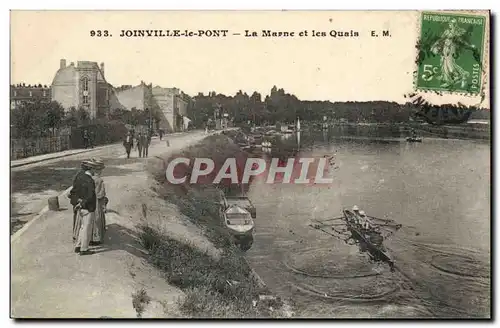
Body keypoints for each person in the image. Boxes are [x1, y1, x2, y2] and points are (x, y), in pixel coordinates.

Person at [72, 159, 97, 255]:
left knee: (82, 227)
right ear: (90, 168)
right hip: (88, 207)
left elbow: (74, 191)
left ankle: (78, 245)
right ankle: (84, 249)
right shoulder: (90, 180)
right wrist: (82, 203)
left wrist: (77, 202)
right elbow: (90, 195)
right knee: (87, 228)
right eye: (93, 168)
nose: (94, 170)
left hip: (80, 207)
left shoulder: (79, 177)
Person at [69, 160, 94, 242]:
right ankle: (80, 239)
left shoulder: (78, 175)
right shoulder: (86, 177)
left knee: (77, 219)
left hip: (76, 199)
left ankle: (75, 236)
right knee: (82, 222)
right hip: (81, 200)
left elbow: (74, 189)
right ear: (89, 168)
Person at [90, 158, 107, 245]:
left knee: (91, 220)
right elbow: (101, 194)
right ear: (99, 170)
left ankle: (90, 238)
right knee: (97, 219)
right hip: (97, 202)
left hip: (90, 201)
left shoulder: (90, 178)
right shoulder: (100, 180)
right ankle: (96, 238)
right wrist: (104, 204)